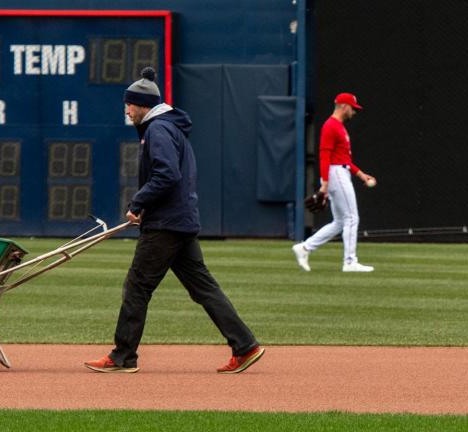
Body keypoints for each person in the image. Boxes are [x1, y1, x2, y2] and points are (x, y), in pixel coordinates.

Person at [85, 67, 264, 373]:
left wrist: (138, 203)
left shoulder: (158, 130)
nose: (126, 110)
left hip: (166, 225)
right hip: (181, 220)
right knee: (203, 288)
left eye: (129, 104)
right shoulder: (171, 128)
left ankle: (122, 356)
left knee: (137, 286)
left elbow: (167, 174)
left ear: (143, 104)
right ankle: (245, 346)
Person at [292, 92, 376, 272]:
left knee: (339, 222)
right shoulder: (331, 126)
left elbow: (345, 158)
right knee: (352, 217)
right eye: (353, 108)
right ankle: (350, 261)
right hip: (335, 173)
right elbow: (324, 155)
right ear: (344, 106)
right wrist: (324, 183)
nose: (354, 112)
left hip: (341, 171)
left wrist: (360, 174)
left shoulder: (339, 127)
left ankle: (304, 247)